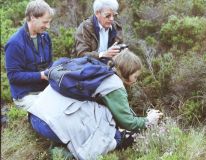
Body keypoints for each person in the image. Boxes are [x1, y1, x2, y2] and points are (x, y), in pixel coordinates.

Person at [27, 49, 161, 159]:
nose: (136, 81)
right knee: (116, 137)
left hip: (35, 115)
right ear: (127, 71)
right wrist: (148, 120)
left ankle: (58, 146)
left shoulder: (97, 68)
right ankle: (65, 155)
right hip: (49, 125)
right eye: (135, 77)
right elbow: (127, 122)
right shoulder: (114, 85)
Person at [5, 0, 55, 110]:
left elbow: (50, 64)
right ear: (32, 18)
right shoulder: (15, 43)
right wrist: (40, 75)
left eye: (49, 22)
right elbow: (13, 76)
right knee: (51, 111)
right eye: (45, 22)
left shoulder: (45, 37)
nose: (48, 26)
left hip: (45, 90)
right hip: (26, 95)